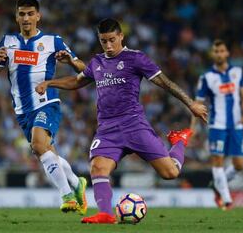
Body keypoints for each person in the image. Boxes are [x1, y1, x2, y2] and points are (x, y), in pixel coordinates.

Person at [35, 18, 208, 224]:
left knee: (170, 173)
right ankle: (106, 214)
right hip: (107, 128)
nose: (108, 46)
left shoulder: (136, 59)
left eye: (111, 40)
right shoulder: (97, 62)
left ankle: (179, 141)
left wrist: (191, 104)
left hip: (134, 125)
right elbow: (77, 81)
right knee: (98, 168)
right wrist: (50, 83)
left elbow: (165, 83)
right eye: (103, 41)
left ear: (121, 36)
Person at [0, 0, 88, 215]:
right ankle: (77, 183)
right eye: (22, 14)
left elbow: (83, 68)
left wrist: (70, 61)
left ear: (38, 16)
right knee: (46, 151)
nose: (26, 18)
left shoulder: (53, 41)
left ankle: (67, 196)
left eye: (30, 13)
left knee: (39, 144)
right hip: (22, 111)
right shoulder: (7, 42)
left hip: (47, 102)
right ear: (16, 17)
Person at [190, 39, 243, 210]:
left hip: (236, 125)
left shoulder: (237, 72)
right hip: (217, 124)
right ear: (212, 54)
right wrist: (193, 127)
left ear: (227, 53)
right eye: (216, 51)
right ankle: (226, 199)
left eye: (222, 51)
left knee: (239, 165)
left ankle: (217, 185)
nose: (219, 54)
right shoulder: (207, 77)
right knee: (218, 160)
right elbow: (198, 104)